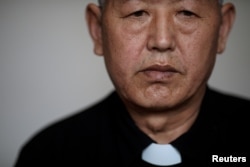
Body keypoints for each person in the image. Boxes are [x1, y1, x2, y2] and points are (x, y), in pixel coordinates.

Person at [14, 0, 249, 166]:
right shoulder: (49, 154)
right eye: (137, 12)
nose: (162, 40)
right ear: (98, 30)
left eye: (187, 12)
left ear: (222, 29)